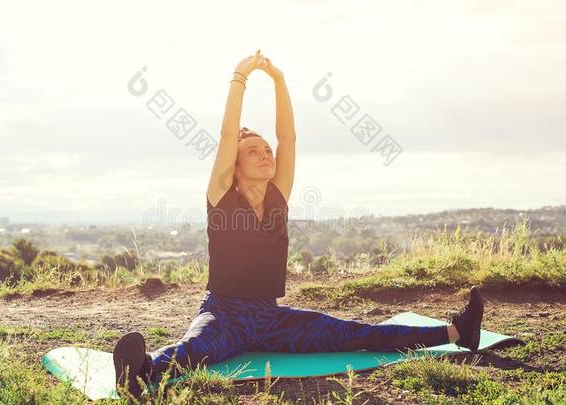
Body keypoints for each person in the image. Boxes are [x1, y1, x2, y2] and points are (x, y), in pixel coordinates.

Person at [113, 50, 485, 400]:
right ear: (235, 167)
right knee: (194, 350)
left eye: (266, 150)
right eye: (253, 152)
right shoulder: (221, 197)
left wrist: (278, 80)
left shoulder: (278, 196)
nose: (265, 155)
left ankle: (456, 332)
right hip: (223, 313)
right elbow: (228, 136)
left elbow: (287, 137)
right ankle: (138, 373)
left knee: (354, 333)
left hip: (271, 316)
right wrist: (240, 76)